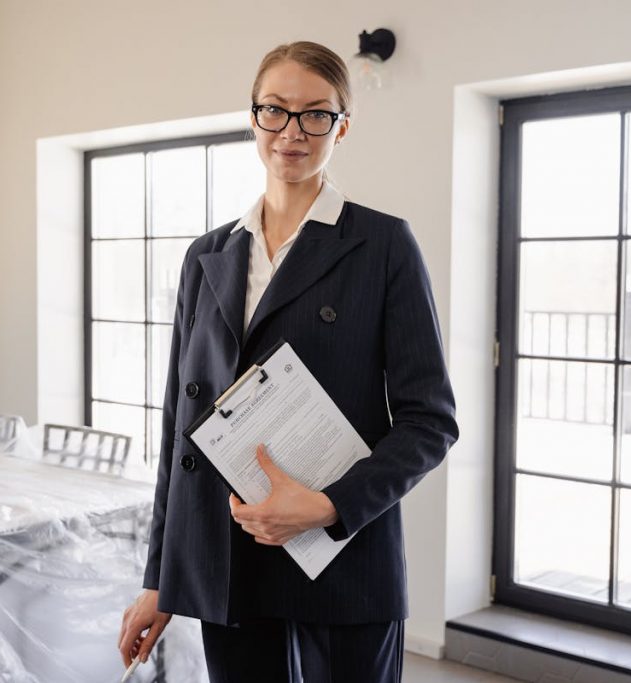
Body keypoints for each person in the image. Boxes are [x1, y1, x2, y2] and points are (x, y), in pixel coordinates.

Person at [118, 40, 458, 683]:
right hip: (228, 565)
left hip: (343, 560)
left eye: (315, 114)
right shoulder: (208, 255)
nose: (292, 132)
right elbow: (179, 429)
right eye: (275, 110)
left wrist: (330, 505)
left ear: (342, 126)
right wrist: (162, 577)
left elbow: (429, 422)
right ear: (252, 117)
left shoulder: (382, 244)